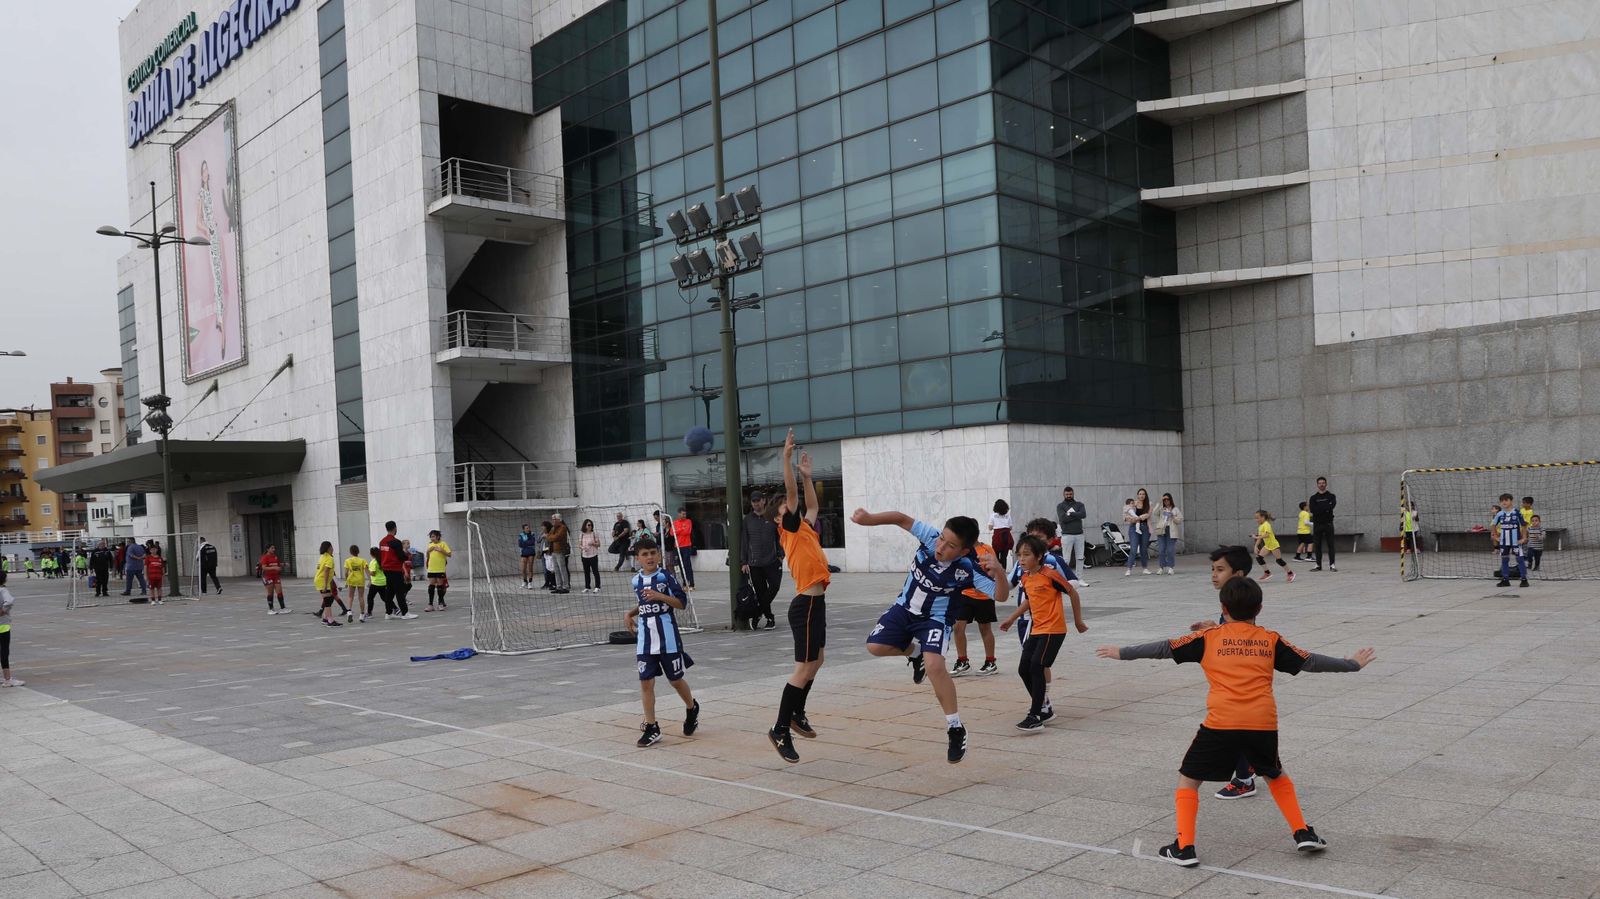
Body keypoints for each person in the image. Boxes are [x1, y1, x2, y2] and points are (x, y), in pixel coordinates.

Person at [1096, 577, 1375, 867]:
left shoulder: (1207, 638)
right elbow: (1310, 661)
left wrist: (1122, 653)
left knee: (1189, 780)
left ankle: (1184, 847)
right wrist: (1351, 664)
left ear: (1222, 607)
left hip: (1221, 723)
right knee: (1274, 774)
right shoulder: (1270, 639)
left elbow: (1164, 648)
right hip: (1262, 723)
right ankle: (1302, 832)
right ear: (1260, 608)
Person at [854, 507, 1007, 764]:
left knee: (936, 667)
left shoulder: (967, 569)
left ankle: (955, 728)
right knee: (875, 647)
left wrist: (1000, 572)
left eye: (950, 546)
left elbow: (1001, 595)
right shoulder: (929, 537)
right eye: (942, 540)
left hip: (935, 620)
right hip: (904, 609)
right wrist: (868, 520)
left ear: (963, 551)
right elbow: (900, 518)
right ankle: (916, 655)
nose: (941, 547)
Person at [767, 431, 832, 763]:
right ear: (780, 519)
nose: (791, 509)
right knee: (803, 669)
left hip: (815, 603)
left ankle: (796, 712)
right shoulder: (788, 529)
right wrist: (786, 459)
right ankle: (780, 728)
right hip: (805, 604)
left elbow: (812, 504)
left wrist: (808, 477)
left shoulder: (804, 526)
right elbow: (792, 496)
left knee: (816, 662)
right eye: (785, 509)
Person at [1000, 534, 1087, 732]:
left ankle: (1035, 715)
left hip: (1053, 630)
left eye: (1026, 555)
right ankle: (1043, 709)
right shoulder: (1025, 577)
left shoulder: (1050, 574)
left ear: (1039, 556)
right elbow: (1030, 600)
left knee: (1037, 666)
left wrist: (1078, 621)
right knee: (1024, 669)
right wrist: (1012, 618)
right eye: (1019, 555)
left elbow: (1072, 592)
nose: (1021, 559)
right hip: (1037, 629)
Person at [625, 538, 701, 747]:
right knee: (646, 682)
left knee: (675, 680)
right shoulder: (635, 581)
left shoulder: (666, 577)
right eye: (645, 554)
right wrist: (630, 613)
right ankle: (652, 727)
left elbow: (681, 603)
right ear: (638, 558)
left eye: (652, 553)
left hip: (668, 639)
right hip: (645, 640)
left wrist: (660, 595)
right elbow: (643, 603)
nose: (649, 557)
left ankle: (691, 707)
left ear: (658, 555)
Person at [949, 538, 1000, 679]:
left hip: (984, 596)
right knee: (958, 627)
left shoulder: (987, 549)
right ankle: (962, 661)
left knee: (985, 628)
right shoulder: (962, 550)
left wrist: (981, 582)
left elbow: (993, 570)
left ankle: (990, 662)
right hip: (964, 594)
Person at [741, 490, 782, 630]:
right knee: (761, 592)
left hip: (772, 561)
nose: (756, 503)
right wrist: (744, 561)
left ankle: (757, 612)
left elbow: (780, 536)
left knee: (774, 587)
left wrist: (780, 554)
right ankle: (770, 618)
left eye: (758, 500)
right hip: (755, 563)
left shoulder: (772, 516)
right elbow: (744, 541)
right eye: (753, 501)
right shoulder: (747, 520)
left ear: (764, 500)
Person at [378, 522, 417, 619]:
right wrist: (408, 555)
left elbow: (381, 556)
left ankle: (388, 613)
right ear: (395, 528)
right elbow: (401, 556)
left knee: (390, 591)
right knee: (399, 591)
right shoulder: (396, 542)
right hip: (395, 569)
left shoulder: (382, 542)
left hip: (386, 569)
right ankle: (405, 613)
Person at [1492, 493, 1529, 588]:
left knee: (1520, 559)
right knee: (1504, 560)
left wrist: (1524, 538)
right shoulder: (1499, 514)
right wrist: (1495, 536)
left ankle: (1524, 579)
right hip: (1504, 541)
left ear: (1511, 501)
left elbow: (1524, 525)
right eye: (1502, 501)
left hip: (1515, 541)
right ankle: (1505, 580)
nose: (1504, 502)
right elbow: (1493, 525)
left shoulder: (1516, 512)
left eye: (1506, 500)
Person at [1253, 510, 1295, 583]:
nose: (1256, 520)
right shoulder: (1260, 526)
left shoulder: (1266, 524)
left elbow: (1267, 535)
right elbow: (1260, 537)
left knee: (1279, 560)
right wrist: (1256, 546)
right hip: (1267, 545)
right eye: (1255, 518)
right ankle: (1267, 573)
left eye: (1257, 518)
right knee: (1259, 557)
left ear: (1263, 517)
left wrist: (1256, 537)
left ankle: (1290, 573)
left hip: (1273, 545)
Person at [1055, 486, 1089, 573]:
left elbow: (1083, 515)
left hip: (1079, 534)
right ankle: (1065, 578)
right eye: (1067, 494)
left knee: (1080, 557)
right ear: (1063, 495)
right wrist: (1076, 515)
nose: (1069, 496)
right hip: (1067, 534)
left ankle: (1079, 578)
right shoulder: (1060, 506)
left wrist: (1070, 513)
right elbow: (1063, 519)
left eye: (1070, 494)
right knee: (1066, 559)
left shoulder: (1080, 504)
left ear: (1073, 494)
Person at [1308, 477, 1337, 571]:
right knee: (1317, 545)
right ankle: (1318, 565)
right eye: (1320, 483)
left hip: (1328, 523)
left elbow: (1332, 506)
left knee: (1330, 545)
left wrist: (1320, 508)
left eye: (1323, 483)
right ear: (1317, 484)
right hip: (1317, 524)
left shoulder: (1331, 496)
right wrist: (1325, 508)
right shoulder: (1313, 498)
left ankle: (1332, 565)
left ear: (1326, 484)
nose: (1321, 484)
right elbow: (1313, 510)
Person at [1123, 488, 1153, 575]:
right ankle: (1129, 568)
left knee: (1143, 548)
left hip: (1145, 528)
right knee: (1134, 548)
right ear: (1137, 495)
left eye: (1143, 494)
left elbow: (1148, 515)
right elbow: (1125, 514)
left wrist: (1139, 518)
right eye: (1140, 494)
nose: (1141, 495)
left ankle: (1145, 568)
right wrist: (1132, 519)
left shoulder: (1149, 504)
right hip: (1134, 527)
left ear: (1145, 495)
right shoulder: (1133, 504)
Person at [314, 541, 343, 627]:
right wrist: (326, 585)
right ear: (329, 548)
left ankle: (325, 619)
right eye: (332, 547)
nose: (333, 549)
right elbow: (326, 571)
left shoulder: (322, 556)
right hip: (323, 581)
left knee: (330, 598)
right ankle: (330, 620)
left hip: (319, 579)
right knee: (327, 600)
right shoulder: (329, 558)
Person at [1154, 493, 1183, 574]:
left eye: (1168, 499)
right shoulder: (1161, 508)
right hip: (1162, 530)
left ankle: (1171, 567)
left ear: (1171, 500)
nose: (1166, 501)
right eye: (1164, 500)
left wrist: (1173, 516)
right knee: (1161, 550)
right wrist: (1159, 502)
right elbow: (1154, 512)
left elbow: (1180, 520)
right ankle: (1161, 567)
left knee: (1170, 550)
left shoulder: (1175, 509)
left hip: (1171, 530)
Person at [0, 570, 20, 687]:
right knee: (4, 651)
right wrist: (3, 611)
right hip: (2, 625)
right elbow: (9, 601)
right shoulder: (3, 590)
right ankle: (7, 679)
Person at [425, 529, 451, 610]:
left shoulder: (443, 544)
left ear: (438, 536)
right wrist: (427, 551)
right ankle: (430, 605)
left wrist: (442, 550)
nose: (431, 538)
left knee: (440, 587)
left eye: (433, 536)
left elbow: (449, 554)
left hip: (440, 569)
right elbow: (428, 557)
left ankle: (440, 603)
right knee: (431, 586)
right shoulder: (430, 545)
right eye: (431, 537)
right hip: (431, 569)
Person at [671, 508, 697, 590]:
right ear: (678, 514)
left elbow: (688, 532)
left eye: (685, 514)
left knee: (687, 565)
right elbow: (672, 533)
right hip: (678, 547)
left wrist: (678, 531)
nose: (684, 515)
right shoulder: (674, 522)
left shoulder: (688, 521)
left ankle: (692, 584)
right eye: (682, 514)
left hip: (686, 546)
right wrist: (682, 529)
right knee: (681, 565)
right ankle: (685, 583)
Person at [260, 544, 288, 614]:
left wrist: (284, 564)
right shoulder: (265, 557)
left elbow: (277, 564)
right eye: (272, 548)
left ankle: (283, 608)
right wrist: (274, 568)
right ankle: (271, 609)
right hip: (267, 576)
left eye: (274, 548)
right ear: (268, 549)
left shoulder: (275, 556)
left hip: (276, 576)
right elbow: (264, 567)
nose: (274, 549)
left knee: (279, 591)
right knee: (270, 592)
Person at [548, 515, 571, 595]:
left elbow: (556, 537)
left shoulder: (562, 527)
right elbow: (548, 536)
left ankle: (566, 587)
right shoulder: (553, 528)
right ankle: (559, 586)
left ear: (559, 520)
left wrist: (551, 537)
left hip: (560, 551)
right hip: (553, 551)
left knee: (562, 569)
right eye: (552, 519)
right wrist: (551, 537)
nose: (553, 521)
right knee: (556, 570)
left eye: (554, 519)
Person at [344, 545, 368, 621]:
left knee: (350, 596)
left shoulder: (348, 561)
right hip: (360, 579)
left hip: (351, 580)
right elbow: (367, 571)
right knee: (361, 597)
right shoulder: (363, 560)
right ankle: (362, 614)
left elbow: (346, 573)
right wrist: (370, 580)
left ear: (350, 552)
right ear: (358, 552)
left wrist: (346, 581)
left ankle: (349, 611)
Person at [989, 500, 1014, 569]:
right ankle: (1003, 572)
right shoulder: (1008, 516)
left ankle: (997, 573)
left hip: (997, 537)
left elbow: (990, 528)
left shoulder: (993, 516)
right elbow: (1010, 527)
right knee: (1004, 557)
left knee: (996, 556)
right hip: (1006, 536)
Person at [579, 519, 602, 593]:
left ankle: (597, 586)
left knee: (595, 571)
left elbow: (599, 544)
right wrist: (583, 548)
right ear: (585, 525)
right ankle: (587, 587)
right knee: (586, 572)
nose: (590, 526)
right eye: (589, 525)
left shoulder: (594, 533)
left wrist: (593, 543)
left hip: (593, 555)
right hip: (584, 555)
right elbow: (579, 544)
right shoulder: (582, 534)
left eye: (591, 525)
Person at [365, 548, 386, 620]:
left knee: (370, 597)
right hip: (383, 582)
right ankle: (395, 608)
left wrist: (367, 570)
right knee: (384, 597)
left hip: (376, 582)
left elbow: (373, 573)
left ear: (371, 554)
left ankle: (369, 613)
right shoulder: (382, 560)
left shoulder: (373, 562)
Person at [518, 523, 539, 589]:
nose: (528, 529)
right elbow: (520, 544)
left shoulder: (532, 534)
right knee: (523, 569)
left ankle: (530, 583)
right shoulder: (521, 535)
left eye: (529, 528)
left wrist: (525, 542)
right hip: (524, 553)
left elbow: (532, 542)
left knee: (530, 568)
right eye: (527, 528)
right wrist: (527, 542)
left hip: (531, 552)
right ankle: (525, 582)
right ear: (523, 529)